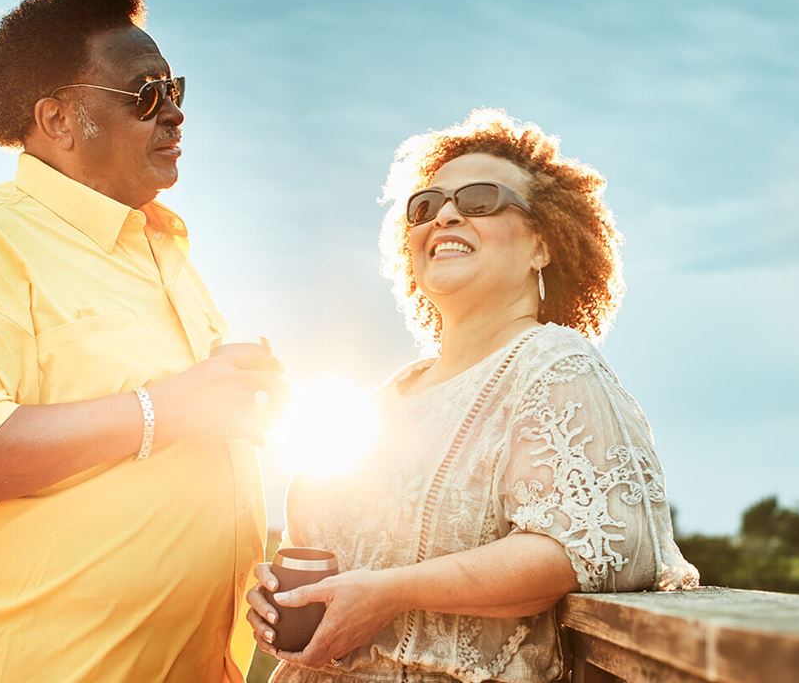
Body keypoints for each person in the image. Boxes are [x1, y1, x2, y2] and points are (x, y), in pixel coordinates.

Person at [0, 0, 284, 682]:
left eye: (175, 88)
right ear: (56, 118)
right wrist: (167, 410)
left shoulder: (163, 250)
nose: (174, 113)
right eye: (144, 94)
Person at [246, 109, 699, 682]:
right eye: (425, 207)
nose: (447, 215)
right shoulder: (382, 398)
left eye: (481, 199)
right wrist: (273, 597)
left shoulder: (553, 366)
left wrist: (389, 594)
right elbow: (315, 547)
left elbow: (577, 549)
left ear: (543, 242)